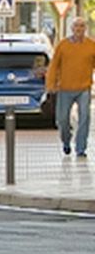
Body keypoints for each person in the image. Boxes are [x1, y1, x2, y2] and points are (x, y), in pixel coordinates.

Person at [43, 13, 95, 157]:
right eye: (76, 26)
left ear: (85, 29)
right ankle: (66, 141)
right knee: (62, 119)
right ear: (72, 28)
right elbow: (54, 66)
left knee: (84, 118)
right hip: (65, 88)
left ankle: (81, 148)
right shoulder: (63, 45)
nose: (79, 29)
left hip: (84, 88)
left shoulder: (91, 46)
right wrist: (51, 83)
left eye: (82, 26)